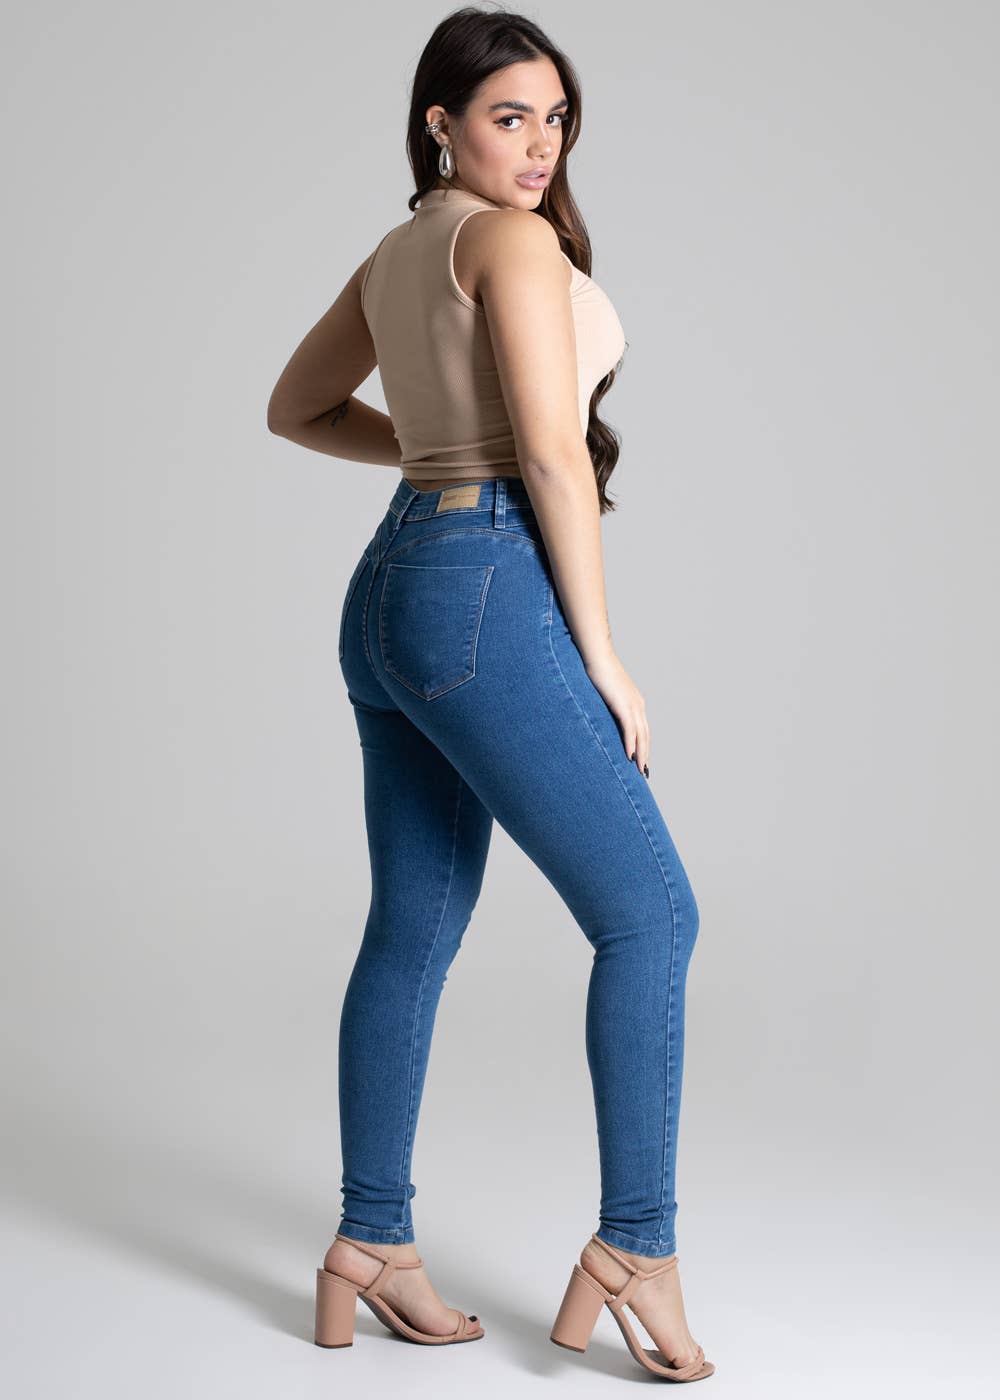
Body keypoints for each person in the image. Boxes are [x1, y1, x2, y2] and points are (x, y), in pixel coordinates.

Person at [267, 6, 713, 1382]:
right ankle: (636, 1248)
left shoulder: (398, 252)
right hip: (483, 589)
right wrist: (603, 650)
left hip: (392, 584)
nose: (539, 145)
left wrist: (433, 450)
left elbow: (297, 408)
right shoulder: (510, 243)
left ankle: (371, 1242)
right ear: (441, 122)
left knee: (411, 927)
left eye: (556, 117)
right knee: (651, 916)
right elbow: (554, 455)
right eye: (509, 115)